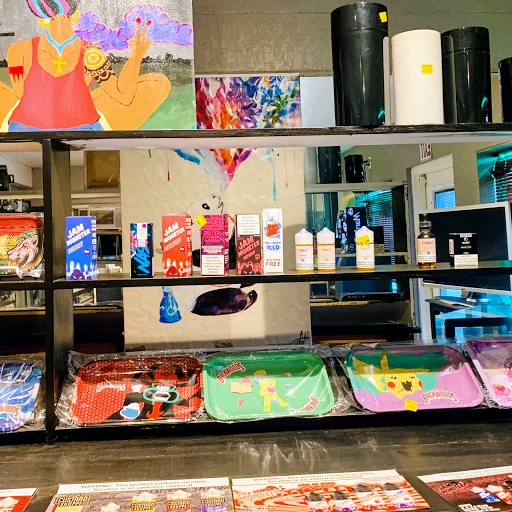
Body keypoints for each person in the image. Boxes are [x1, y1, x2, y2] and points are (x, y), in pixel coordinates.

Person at [0, 0, 171, 131]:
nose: (59, 20)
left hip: (82, 131)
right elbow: (19, 92)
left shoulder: (91, 53)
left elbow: (123, 97)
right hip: (27, 129)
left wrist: (136, 54)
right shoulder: (19, 51)